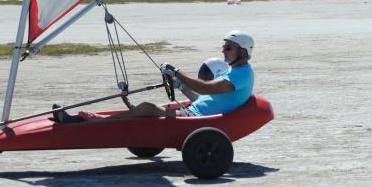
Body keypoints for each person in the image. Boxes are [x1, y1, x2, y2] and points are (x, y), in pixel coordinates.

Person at [52, 30, 255, 123]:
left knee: (147, 108)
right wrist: (181, 86)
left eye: (228, 47)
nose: (223, 51)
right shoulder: (233, 71)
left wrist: (177, 72)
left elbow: (205, 89)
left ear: (243, 51)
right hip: (192, 112)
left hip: (196, 120)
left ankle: (90, 123)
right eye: (223, 46)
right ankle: (90, 120)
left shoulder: (243, 75)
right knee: (142, 112)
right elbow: (205, 97)